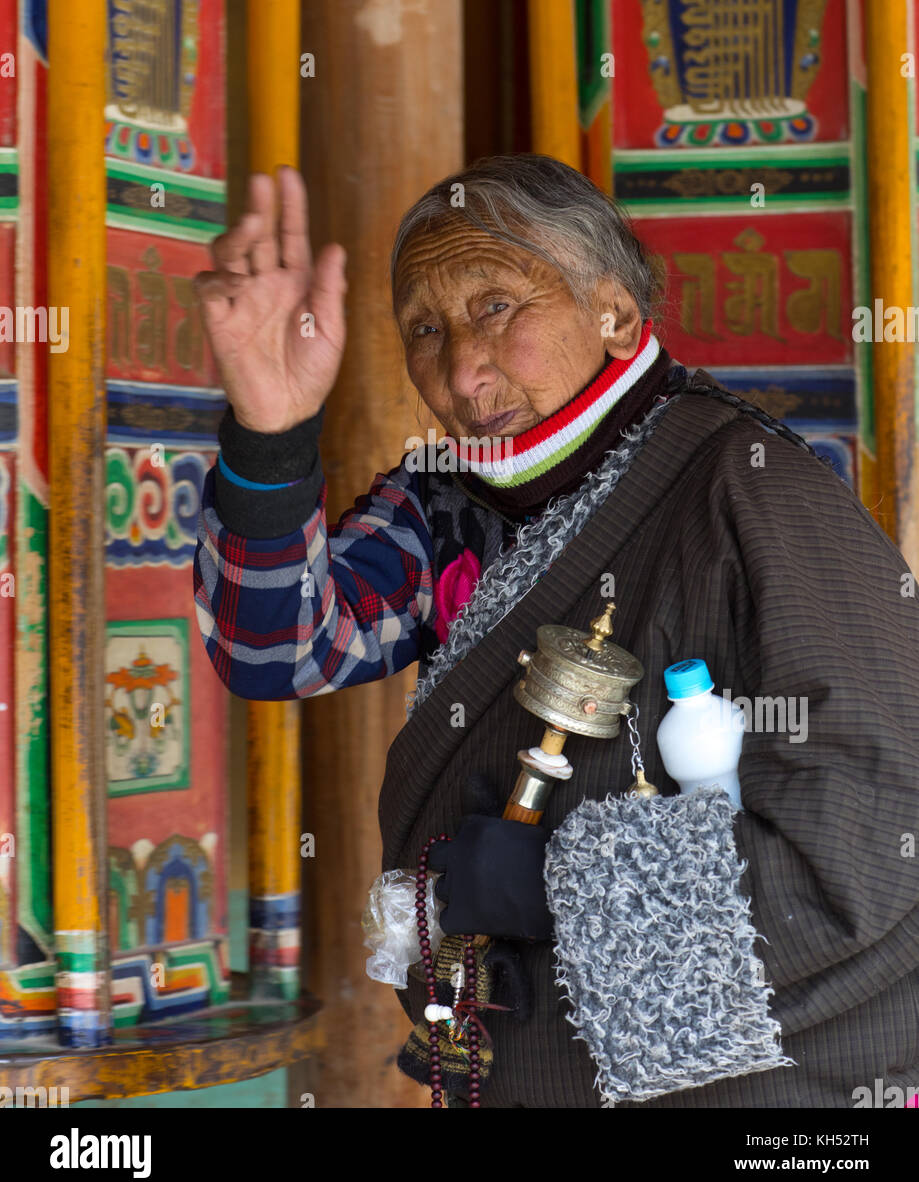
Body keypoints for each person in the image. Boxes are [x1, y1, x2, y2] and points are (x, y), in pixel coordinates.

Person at [193, 154, 919, 1109]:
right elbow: (272, 646)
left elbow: (864, 846)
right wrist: (270, 430)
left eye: (496, 305)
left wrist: (556, 890)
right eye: (423, 327)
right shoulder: (450, 506)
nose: (459, 364)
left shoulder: (751, 489)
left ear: (614, 316)